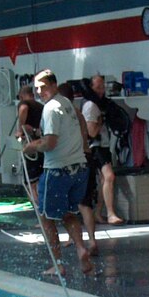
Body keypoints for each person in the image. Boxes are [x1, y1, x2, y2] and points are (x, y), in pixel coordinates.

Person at [23, 69, 95, 275]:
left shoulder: (51, 108)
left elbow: (50, 143)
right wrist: (83, 144)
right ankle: (81, 248)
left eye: (43, 87)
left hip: (58, 170)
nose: (39, 92)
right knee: (69, 213)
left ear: (54, 85)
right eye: (36, 88)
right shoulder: (67, 103)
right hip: (79, 168)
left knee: (46, 217)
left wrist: (32, 146)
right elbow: (81, 121)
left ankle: (57, 264)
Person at [80, 73, 123, 226]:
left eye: (103, 87)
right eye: (98, 87)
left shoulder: (97, 104)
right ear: (91, 88)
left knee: (105, 179)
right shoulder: (91, 106)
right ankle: (110, 213)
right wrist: (102, 120)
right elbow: (91, 132)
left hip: (101, 145)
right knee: (109, 176)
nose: (101, 91)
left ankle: (99, 212)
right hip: (95, 146)